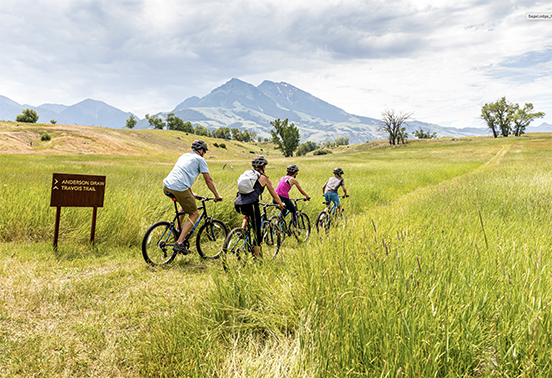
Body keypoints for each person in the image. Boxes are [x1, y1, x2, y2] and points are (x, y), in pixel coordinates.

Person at [163, 140, 223, 253]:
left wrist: (190, 193)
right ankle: (179, 243)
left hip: (167, 186)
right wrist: (217, 195)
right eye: (204, 152)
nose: (204, 154)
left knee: (184, 206)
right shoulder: (200, 160)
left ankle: (177, 231)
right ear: (201, 150)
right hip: (179, 188)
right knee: (194, 214)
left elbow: (183, 175)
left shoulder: (184, 156)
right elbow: (208, 180)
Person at [234, 156, 285, 258]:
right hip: (251, 204)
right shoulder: (264, 178)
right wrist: (280, 204)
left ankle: (242, 231)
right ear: (263, 167)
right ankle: (257, 258)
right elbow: (274, 195)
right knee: (257, 233)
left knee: (248, 216)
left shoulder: (248, 174)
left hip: (238, 203)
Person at [274, 164, 310, 231]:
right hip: (283, 198)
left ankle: (277, 223)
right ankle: (294, 229)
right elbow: (301, 190)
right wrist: (307, 196)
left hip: (275, 198)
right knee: (293, 211)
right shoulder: (293, 179)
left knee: (284, 209)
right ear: (295, 172)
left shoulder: (283, 177)